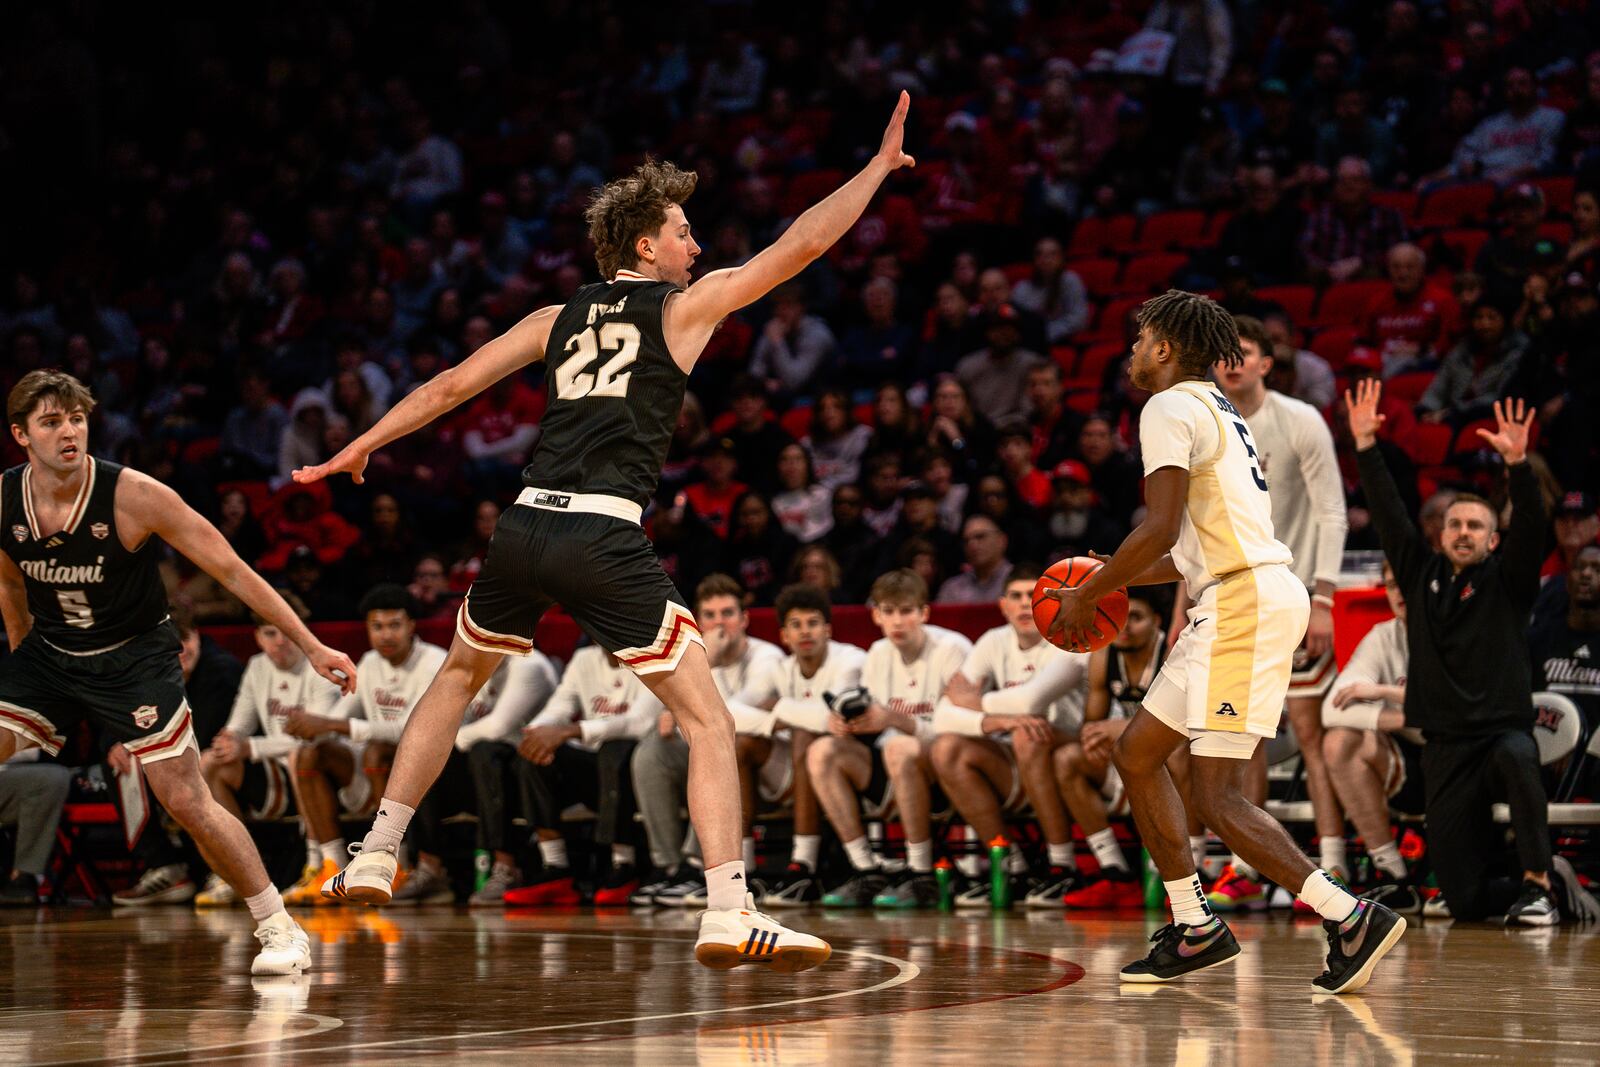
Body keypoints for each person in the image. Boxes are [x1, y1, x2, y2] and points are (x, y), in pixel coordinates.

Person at [298, 93, 919, 971]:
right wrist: (874, 170)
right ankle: (729, 908)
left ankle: (376, 848)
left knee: (458, 673)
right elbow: (803, 245)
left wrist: (359, 446)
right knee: (708, 721)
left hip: (521, 526)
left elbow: (445, 388)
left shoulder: (552, 320)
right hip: (600, 532)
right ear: (644, 247)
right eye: (684, 232)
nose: (697, 247)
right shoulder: (682, 310)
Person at [1041, 291, 1403, 992]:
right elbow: (1180, 550)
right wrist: (1111, 578)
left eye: (1141, 339)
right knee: (1138, 752)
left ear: (1167, 347)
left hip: (1243, 602)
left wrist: (1089, 590)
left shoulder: (1167, 406)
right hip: (1236, 594)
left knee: (1217, 795)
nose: (1132, 352)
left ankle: (1350, 914)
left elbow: (1156, 526)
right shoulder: (1218, 409)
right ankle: (1194, 924)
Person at [0, 370, 357, 975]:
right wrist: (21, 664)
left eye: (76, 418)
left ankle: (279, 928)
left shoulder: (134, 495)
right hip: (52, 654)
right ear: (20, 435)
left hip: (134, 658)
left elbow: (235, 572)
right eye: (51, 422)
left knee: (186, 798)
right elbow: (10, 580)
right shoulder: (5, 499)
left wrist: (313, 644)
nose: (69, 431)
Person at [1349, 382, 1598, 925]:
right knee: (1464, 902)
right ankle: (1552, 877)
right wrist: (1366, 447)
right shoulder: (1419, 574)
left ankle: (1536, 886)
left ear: (1492, 540)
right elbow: (1390, 515)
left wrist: (1518, 465)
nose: (1464, 532)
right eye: (1456, 524)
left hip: (1500, 735)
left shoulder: (1510, 582)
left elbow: (1532, 525)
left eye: (1476, 526)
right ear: (1441, 534)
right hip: (1444, 746)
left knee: (1517, 752)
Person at [1208, 315, 1348, 907]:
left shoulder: (1300, 419)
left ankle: (1333, 861)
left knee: (1312, 737)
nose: (1233, 362)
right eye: (1224, 354)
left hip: (1296, 597)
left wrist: (1324, 597)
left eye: (1244, 352)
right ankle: (1249, 868)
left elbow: (1332, 513)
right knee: (1246, 740)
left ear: (1267, 362)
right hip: (1238, 602)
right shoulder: (1208, 423)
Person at [809, 569, 971, 909]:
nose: (897, 621)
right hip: (892, 765)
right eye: (889, 612)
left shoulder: (953, 648)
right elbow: (877, 725)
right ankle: (866, 869)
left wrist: (895, 719)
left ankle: (921, 872)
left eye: (906, 611)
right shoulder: (878, 653)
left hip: (948, 766)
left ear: (924, 613)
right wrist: (848, 724)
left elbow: (959, 725)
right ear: (876, 615)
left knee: (900, 746)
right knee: (822, 750)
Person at [928, 565, 1088, 907]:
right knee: (947, 749)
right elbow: (942, 715)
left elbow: (1030, 701)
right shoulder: (993, 640)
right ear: (1002, 605)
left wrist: (976, 704)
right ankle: (1012, 866)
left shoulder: (1071, 636)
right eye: (1015, 596)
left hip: (1075, 752)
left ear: (1053, 601)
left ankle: (1062, 866)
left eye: (1034, 595)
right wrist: (996, 721)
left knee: (1030, 733)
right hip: (1019, 756)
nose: (1024, 604)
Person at [280, 585, 445, 904]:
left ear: (411, 625)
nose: (386, 635)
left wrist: (332, 724)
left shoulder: (434, 662)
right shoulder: (369, 663)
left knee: (379, 750)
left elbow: (415, 730)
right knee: (310, 755)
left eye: (394, 625)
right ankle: (333, 865)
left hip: (428, 777)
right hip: (372, 775)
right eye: (377, 626)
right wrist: (313, 726)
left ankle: (398, 866)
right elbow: (340, 718)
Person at [630, 574, 785, 906]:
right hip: (717, 755)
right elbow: (654, 719)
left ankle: (696, 865)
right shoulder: (689, 657)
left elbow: (730, 718)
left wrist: (709, 659)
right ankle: (670, 867)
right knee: (651, 752)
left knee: (717, 746)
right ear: (697, 622)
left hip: (760, 768)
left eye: (728, 613)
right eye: (711, 616)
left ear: (744, 619)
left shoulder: (767, 657)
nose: (720, 624)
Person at [195, 607, 342, 907]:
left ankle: (318, 866)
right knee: (209, 762)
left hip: (323, 773)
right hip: (277, 774)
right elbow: (240, 722)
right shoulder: (257, 666)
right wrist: (231, 739)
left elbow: (316, 734)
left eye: (287, 633)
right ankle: (235, 871)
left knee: (301, 755)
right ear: (258, 638)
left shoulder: (322, 666)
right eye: (270, 633)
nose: (280, 642)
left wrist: (250, 747)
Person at [733, 583, 869, 907]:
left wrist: (779, 708)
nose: (805, 631)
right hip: (797, 774)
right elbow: (730, 710)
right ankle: (744, 867)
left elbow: (832, 717)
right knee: (740, 744)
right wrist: (776, 720)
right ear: (784, 636)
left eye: (813, 622)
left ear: (828, 630)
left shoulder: (851, 660)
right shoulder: (779, 669)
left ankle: (803, 864)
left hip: (848, 768)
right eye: (796, 624)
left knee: (805, 737)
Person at [500, 645, 660, 907]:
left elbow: (637, 723)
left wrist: (568, 732)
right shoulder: (584, 659)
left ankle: (623, 863)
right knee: (534, 756)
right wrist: (538, 734)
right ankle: (555, 865)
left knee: (614, 749)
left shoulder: (653, 658)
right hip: (593, 768)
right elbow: (559, 707)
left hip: (638, 770)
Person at [1052, 586, 1175, 908]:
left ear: (1157, 621)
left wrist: (1122, 728)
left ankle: (1186, 871)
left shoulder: (1173, 651)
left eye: (1136, 617)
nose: (1126, 627)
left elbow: (1189, 724)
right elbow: (1092, 723)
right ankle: (1113, 869)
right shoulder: (1103, 654)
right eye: (1120, 618)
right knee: (1068, 759)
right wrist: (1094, 739)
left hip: (1176, 759)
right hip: (1137, 756)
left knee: (1181, 753)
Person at [1321, 563, 1426, 915]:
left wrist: (1382, 691)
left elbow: (1452, 711)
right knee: (1339, 742)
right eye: (1393, 585)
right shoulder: (1384, 636)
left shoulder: (1454, 632)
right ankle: (1393, 873)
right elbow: (1331, 709)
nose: (1399, 594)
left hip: (1461, 764)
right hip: (1411, 761)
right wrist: (1400, 718)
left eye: (1407, 584)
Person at [444, 651, 562, 906]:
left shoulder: (528, 665)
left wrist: (445, 739)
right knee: (425, 758)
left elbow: (498, 727)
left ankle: (505, 866)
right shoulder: (470, 665)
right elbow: (449, 718)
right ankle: (427, 868)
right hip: (492, 768)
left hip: (536, 766)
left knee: (484, 752)